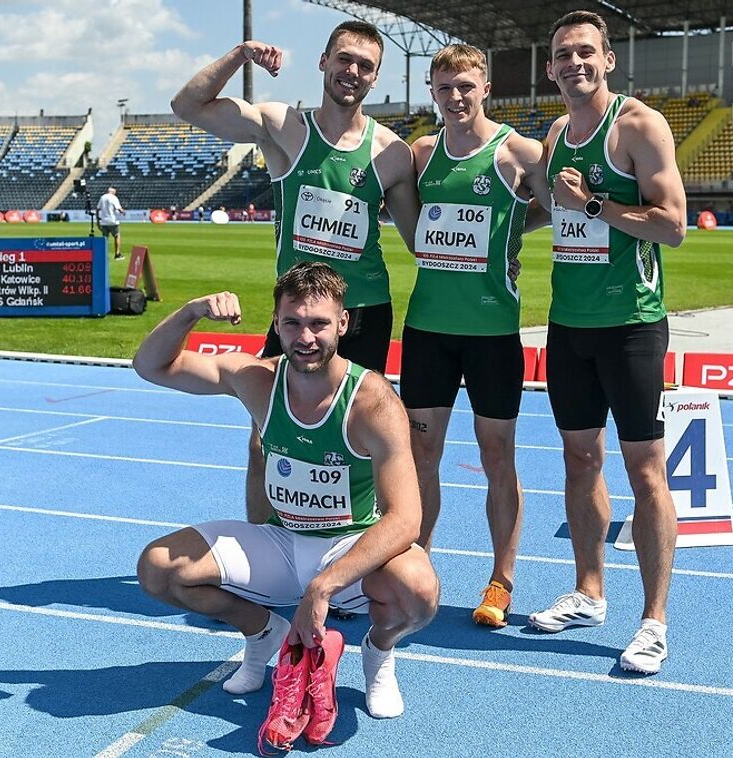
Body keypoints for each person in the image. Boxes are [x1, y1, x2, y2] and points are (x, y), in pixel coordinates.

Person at [133, 261, 439, 721]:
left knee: (419, 589)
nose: (305, 337)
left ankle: (379, 654)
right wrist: (193, 311)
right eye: (292, 323)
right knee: (159, 569)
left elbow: (405, 520)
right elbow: (151, 365)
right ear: (276, 323)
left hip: (350, 545)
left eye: (318, 324)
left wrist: (324, 585)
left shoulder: (372, 401)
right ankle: (262, 633)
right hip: (281, 541)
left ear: (343, 323)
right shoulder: (256, 379)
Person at [171, 20, 419, 526]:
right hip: (296, 314)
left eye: (365, 65)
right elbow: (187, 107)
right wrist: (240, 53)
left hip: (363, 311)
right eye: (344, 59)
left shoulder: (391, 153)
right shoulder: (284, 128)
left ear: (376, 79)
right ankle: (263, 546)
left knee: (359, 438)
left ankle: (352, 548)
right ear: (323, 61)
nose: (353, 71)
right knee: (266, 437)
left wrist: (515, 228)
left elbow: (422, 240)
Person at [529, 10, 686, 675]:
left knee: (644, 470)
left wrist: (593, 204)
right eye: (564, 55)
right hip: (569, 325)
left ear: (609, 59)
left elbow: (673, 225)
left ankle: (653, 621)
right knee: (578, 459)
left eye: (586, 52)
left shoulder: (639, 126)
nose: (575, 63)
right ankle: (589, 591)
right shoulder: (558, 132)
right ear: (550, 68)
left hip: (631, 325)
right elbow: (546, 206)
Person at [399, 44, 551, 628]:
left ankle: (501, 581)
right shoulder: (422, 152)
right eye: (444, 88)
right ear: (433, 93)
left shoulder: (520, 152)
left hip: (492, 333)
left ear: (484, 86)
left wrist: (510, 232)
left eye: (465, 86)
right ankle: (419, 566)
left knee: (497, 457)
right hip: (429, 329)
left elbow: (550, 210)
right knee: (421, 456)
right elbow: (408, 217)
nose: (455, 97)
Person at [96, 187, 124, 260]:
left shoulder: (102, 197)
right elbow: (118, 208)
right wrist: (123, 212)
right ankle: (117, 254)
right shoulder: (114, 198)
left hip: (104, 221)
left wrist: (98, 221)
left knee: (105, 239)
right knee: (117, 235)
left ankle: (104, 255)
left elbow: (98, 209)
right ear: (113, 192)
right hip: (112, 221)